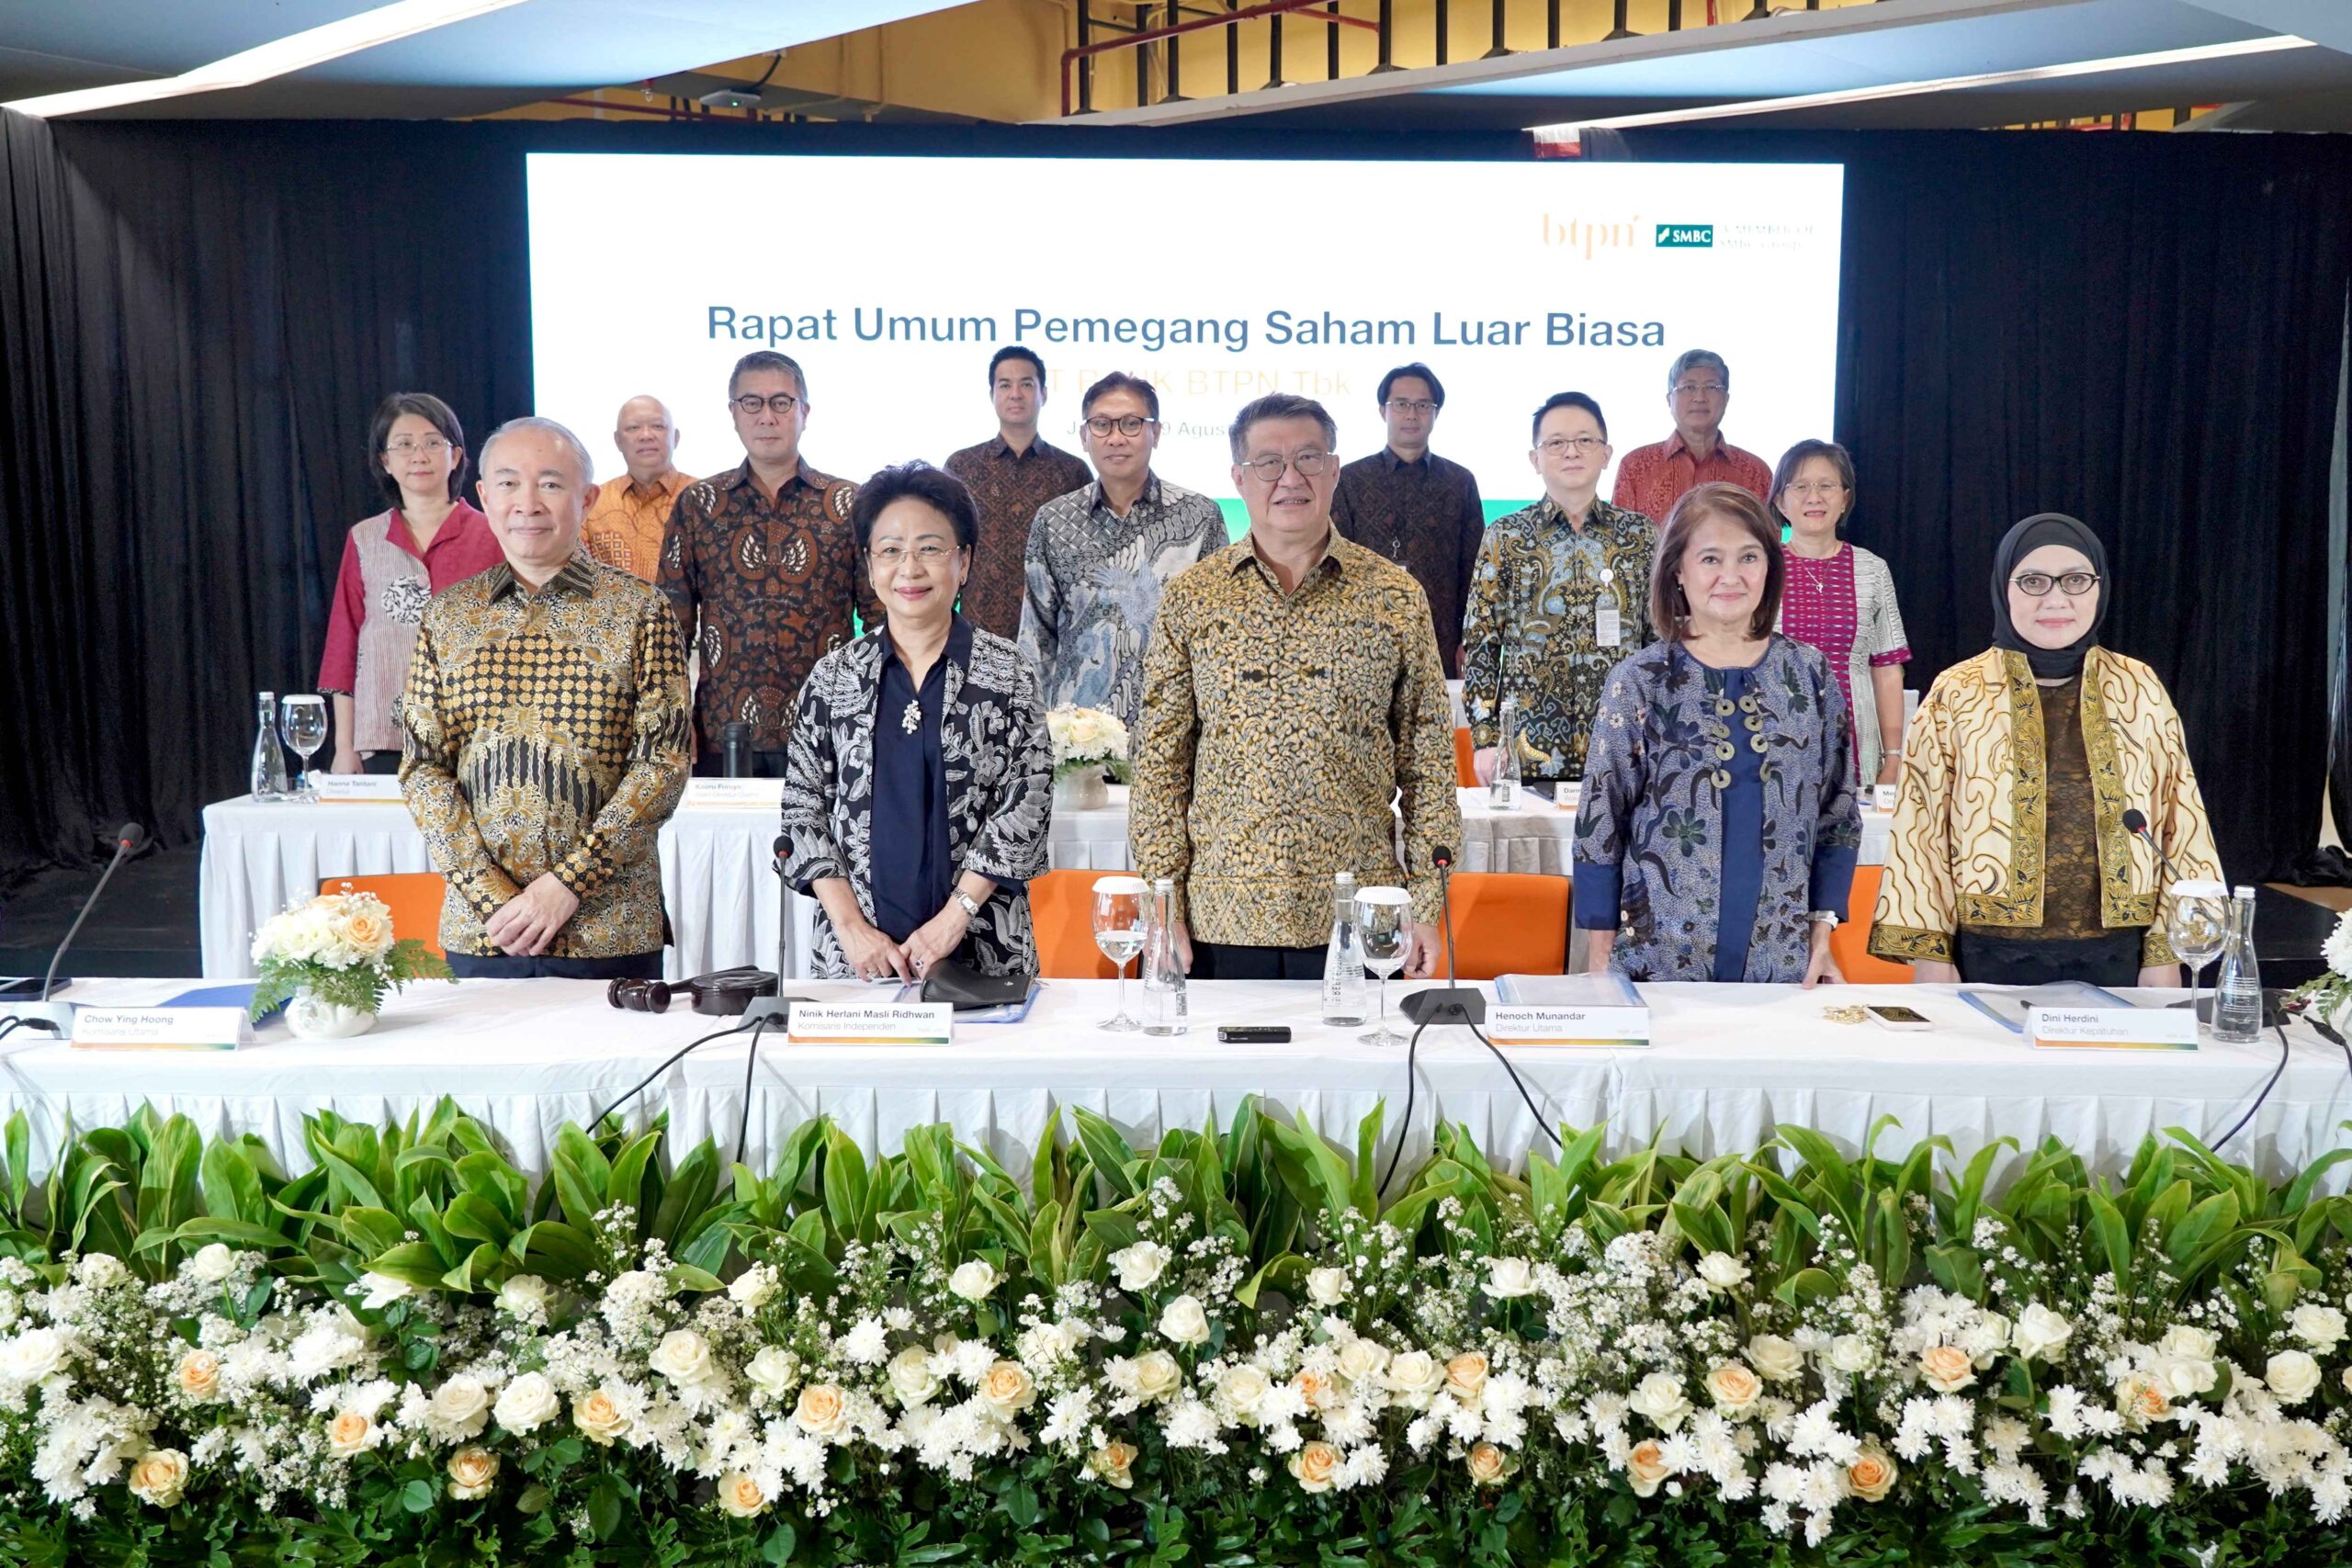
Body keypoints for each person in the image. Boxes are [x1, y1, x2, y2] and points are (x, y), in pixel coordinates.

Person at [1131, 392, 1461, 981]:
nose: (1290, 478)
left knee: (1360, 1075)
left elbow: (1429, 762)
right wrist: (1163, 905)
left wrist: (1428, 906)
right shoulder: (1192, 598)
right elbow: (1160, 766)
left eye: (1309, 458)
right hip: (1217, 920)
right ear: (1239, 477)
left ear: (1334, 470)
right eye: (1268, 463)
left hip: (1361, 916)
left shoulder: (1393, 596)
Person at [1870, 513, 2219, 987]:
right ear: (2003, 587)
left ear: (2099, 587)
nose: (2056, 599)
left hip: (2119, 960)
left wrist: (2166, 952)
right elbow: (1919, 829)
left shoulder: (2139, 687)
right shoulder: (1957, 691)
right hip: (1987, 960)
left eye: (2075, 580)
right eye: (2033, 581)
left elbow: (2183, 823)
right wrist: (1931, 953)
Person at [399, 417, 690, 979]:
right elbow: (422, 768)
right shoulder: (447, 616)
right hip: (485, 930)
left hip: (609, 926)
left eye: (551, 484)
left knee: (620, 1071)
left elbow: (664, 764)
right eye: (508, 483)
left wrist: (568, 886)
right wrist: (491, 898)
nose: (528, 503)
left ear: (588, 498)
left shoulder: (642, 611)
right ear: (483, 496)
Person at [1574, 483, 1860, 985]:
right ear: (1678, 572)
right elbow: (1600, 824)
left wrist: (1822, 938)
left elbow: (1837, 815)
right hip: (1656, 970)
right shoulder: (1642, 679)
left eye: (1748, 556)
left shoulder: (1810, 676)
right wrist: (1600, 962)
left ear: (1770, 567)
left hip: (1784, 969)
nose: (1731, 576)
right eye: (1710, 559)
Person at [780, 463, 1052, 982]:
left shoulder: (1008, 671)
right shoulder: (834, 677)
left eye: (930, 548)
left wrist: (954, 921)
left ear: (964, 561)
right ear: (869, 563)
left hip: (982, 947)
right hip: (855, 959)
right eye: (890, 550)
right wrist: (852, 929)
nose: (910, 568)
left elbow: (1027, 802)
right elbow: (803, 810)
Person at [658, 351, 868, 777]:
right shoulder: (700, 504)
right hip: (724, 733)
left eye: (781, 402)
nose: (766, 416)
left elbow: (881, 617)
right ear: (733, 414)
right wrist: (674, 720)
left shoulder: (849, 503)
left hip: (831, 730)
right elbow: (669, 628)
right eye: (751, 403)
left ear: (804, 412)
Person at [1461, 392, 1655, 784]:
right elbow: (1481, 642)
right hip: (1526, 750)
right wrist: (1484, 739)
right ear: (1535, 459)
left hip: (1623, 747)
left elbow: (1658, 641)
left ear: (1606, 453)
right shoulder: (1506, 536)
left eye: (1585, 440)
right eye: (1556, 443)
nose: (1571, 452)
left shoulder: (1640, 536)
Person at [1017, 372, 1226, 734]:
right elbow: (1036, 640)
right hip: (1078, 743)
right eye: (1101, 425)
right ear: (1084, 436)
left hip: (1173, 735)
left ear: (1155, 433)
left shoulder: (1199, 516)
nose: (1115, 437)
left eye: (1131, 424)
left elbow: (1219, 636)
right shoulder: (1053, 521)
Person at [320, 394, 502, 774]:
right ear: (385, 461)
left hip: (478, 739)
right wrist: (344, 746)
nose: (419, 455)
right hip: (385, 736)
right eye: (403, 445)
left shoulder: (495, 535)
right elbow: (344, 645)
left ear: (455, 456)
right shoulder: (365, 538)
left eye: (433, 442)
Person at [1770, 440, 1912, 785]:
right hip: (1773, 750)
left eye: (1826, 485)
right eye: (1800, 486)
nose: (1814, 497)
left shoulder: (1872, 570)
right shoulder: (1761, 568)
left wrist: (1893, 758)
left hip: (1857, 750)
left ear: (1845, 497)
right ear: (1780, 501)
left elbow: (1888, 670)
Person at [1331, 362, 1486, 676]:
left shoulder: (1460, 482)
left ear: (1436, 413)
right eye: (1401, 404)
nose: (1411, 414)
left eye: (1422, 405)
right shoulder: (1350, 479)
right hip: (1365, 636)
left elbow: (1475, 569)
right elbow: (1335, 565)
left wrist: (1469, 641)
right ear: (1382, 411)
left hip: (1440, 637)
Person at [944, 347, 1091, 640]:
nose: (1016, 394)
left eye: (1026, 384)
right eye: (1005, 385)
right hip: (978, 634)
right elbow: (944, 550)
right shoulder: (961, 467)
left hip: (1055, 636)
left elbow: (1086, 560)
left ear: (1043, 394)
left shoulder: (1073, 472)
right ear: (992, 395)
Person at [1611, 350, 1771, 523]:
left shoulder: (1755, 472)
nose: (1700, 397)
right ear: (1669, 400)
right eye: (1688, 387)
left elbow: (1768, 544)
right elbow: (1619, 541)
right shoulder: (1636, 467)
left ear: (1726, 399)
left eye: (1712, 387)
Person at [582, 395, 695, 581]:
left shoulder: (705, 499)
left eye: (658, 426)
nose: (646, 435)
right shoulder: (593, 503)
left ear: (675, 437)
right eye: (633, 428)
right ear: (618, 440)